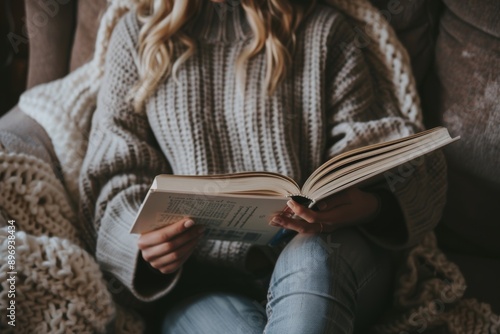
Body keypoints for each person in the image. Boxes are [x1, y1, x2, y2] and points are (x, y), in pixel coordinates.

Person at [79, 0, 446, 332]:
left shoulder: (324, 30)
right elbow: (113, 175)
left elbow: (389, 149)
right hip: (204, 287)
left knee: (311, 257)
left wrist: (369, 204)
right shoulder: (138, 35)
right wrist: (145, 247)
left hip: (324, 256)